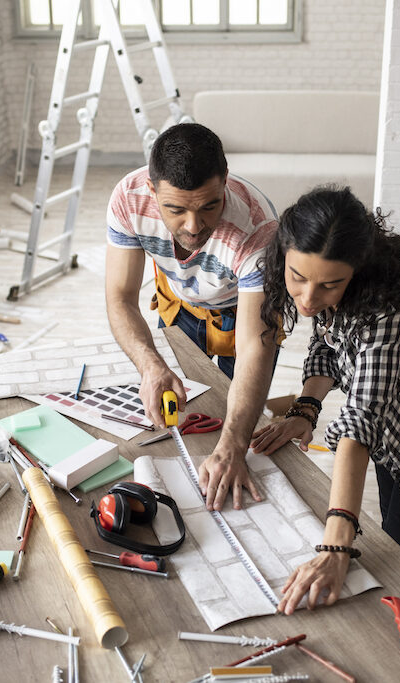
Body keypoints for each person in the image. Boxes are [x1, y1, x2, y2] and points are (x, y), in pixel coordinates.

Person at [248, 186, 400, 615]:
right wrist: (306, 408)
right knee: (385, 491)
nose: (307, 300)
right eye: (297, 278)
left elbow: (360, 421)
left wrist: (335, 546)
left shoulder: (389, 309)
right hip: (389, 406)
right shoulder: (326, 286)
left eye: (329, 285)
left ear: (357, 272)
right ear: (284, 254)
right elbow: (327, 345)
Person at [105, 123, 280, 511]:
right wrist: (151, 366)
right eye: (175, 209)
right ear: (152, 191)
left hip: (242, 313)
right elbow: (120, 296)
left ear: (225, 184)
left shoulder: (259, 230)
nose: (193, 226)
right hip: (179, 300)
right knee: (183, 413)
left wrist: (235, 445)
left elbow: (255, 346)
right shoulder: (129, 197)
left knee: (236, 426)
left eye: (208, 206)